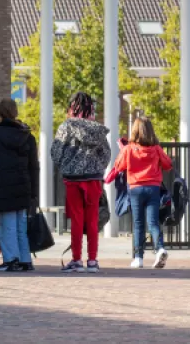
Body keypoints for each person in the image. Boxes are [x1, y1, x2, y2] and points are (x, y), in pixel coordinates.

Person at [51, 92, 111, 274]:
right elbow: (106, 154)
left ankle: (76, 259)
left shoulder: (66, 126)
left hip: (73, 179)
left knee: (76, 220)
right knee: (92, 220)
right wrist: (96, 167)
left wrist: (67, 165)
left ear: (72, 108)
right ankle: (92, 260)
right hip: (93, 179)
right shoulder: (98, 130)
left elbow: (56, 151)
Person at [105, 116, 172, 269]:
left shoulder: (129, 149)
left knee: (138, 224)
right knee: (153, 222)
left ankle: (138, 258)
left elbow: (118, 165)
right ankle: (160, 248)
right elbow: (168, 164)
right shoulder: (156, 149)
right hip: (153, 188)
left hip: (135, 188)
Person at [0, 99, 38, 272]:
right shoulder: (27, 135)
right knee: (20, 225)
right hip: (24, 183)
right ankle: (25, 259)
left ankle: (10, 260)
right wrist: (34, 192)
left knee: (6, 223)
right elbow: (34, 166)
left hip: (4, 182)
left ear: (0, 113)